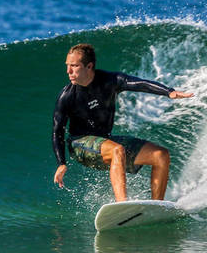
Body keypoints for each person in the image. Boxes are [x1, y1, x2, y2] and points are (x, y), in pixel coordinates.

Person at [52, 43, 193, 202]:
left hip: (106, 140)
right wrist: (61, 163)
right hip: (79, 143)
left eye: (74, 66)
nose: (68, 71)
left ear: (89, 66)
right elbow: (57, 130)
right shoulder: (67, 96)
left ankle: (157, 206)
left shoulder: (110, 80)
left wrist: (169, 92)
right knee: (117, 150)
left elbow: (140, 84)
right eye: (68, 66)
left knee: (161, 155)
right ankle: (122, 204)